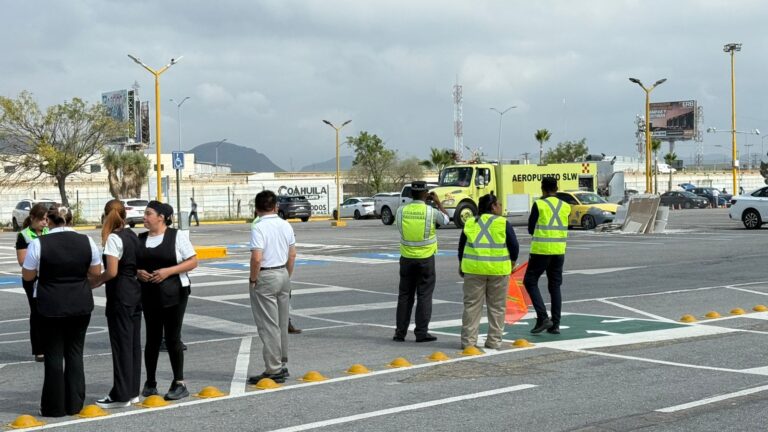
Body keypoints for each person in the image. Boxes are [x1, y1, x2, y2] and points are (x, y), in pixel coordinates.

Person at [22, 205, 101, 417]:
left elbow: (28, 276)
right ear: (71, 220)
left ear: (48, 220)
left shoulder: (39, 244)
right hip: (80, 302)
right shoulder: (87, 241)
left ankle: (54, 406)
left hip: (50, 304)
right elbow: (95, 272)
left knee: (54, 356)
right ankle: (75, 403)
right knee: (75, 354)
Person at [137, 201, 198, 401]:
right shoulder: (141, 238)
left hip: (175, 293)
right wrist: (139, 273)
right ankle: (150, 381)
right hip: (149, 293)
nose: (144, 217)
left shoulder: (176, 236)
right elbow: (133, 264)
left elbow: (192, 261)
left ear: (161, 217)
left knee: (173, 338)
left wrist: (168, 272)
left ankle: (179, 382)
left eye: (148, 214)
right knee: (152, 339)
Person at [92, 200, 142, 408]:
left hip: (120, 293)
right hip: (135, 292)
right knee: (133, 344)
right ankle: (132, 392)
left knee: (121, 345)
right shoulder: (132, 235)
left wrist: (94, 282)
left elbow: (112, 271)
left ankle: (120, 395)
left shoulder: (113, 238)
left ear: (106, 216)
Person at [247, 190, 297, 384]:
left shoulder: (258, 227)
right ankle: (282, 363)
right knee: (282, 323)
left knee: (268, 325)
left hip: (266, 275)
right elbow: (292, 254)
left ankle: (273, 368)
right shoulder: (285, 225)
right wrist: (286, 275)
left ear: (257, 208)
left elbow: (257, 257)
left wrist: (253, 279)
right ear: (275, 206)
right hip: (283, 274)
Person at [458, 193, 519, 350]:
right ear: (492, 207)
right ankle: (494, 341)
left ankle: (468, 342)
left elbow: (461, 246)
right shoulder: (503, 223)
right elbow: (514, 247)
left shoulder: (470, 222)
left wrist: (461, 264)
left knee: (472, 306)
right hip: (498, 271)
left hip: (473, 269)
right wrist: (512, 263)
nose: (500, 207)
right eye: (498, 204)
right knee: (497, 307)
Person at [393, 181, 449, 342]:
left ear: (411, 194)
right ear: (426, 194)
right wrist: (438, 202)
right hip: (425, 259)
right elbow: (446, 220)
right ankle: (421, 332)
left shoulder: (401, 211)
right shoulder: (430, 211)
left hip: (406, 258)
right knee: (424, 295)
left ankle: (400, 332)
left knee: (405, 296)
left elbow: (398, 226)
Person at [524, 177, 570, 335]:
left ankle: (542, 317)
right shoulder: (565, 206)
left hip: (541, 250)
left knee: (530, 281)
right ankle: (555, 324)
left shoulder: (539, 204)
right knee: (555, 286)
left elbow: (531, 228)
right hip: (559, 250)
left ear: (542, 188)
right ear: (556, 188)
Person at [15, 203, 49, 362]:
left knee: (51, 312)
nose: (44, 223)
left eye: (46, 219)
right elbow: (22, 261)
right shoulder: (24, 235)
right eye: (41, 219)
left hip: (49, 277)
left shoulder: (50, 231)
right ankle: (39, 349)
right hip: (32, 278)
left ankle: (52, 345)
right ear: (32, 218)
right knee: (37, 312)